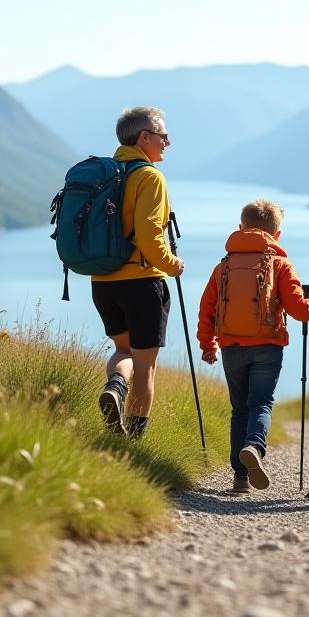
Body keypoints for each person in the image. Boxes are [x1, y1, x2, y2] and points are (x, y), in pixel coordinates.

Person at [198, 199, 309, 492]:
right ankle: (254, 446)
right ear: (276, 235)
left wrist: (208, 344)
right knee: (260, 403)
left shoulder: (222, 266)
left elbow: (207, 308)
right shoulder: (280, 264)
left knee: (239, 408)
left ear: (241, 228)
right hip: (267, 345)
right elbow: (299, 309)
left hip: (231, 346)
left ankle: (240, 479)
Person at [93, 106, 183, 439]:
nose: (167, 143)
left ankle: (115, 387)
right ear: (143, 137)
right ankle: (132, 442)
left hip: (103, 282)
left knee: (123, 352)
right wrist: (172, 264)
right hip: (142, 284)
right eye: (162, 136)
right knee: (146, 368)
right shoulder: (149, 177)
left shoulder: (106, 173)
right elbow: (148, 236)